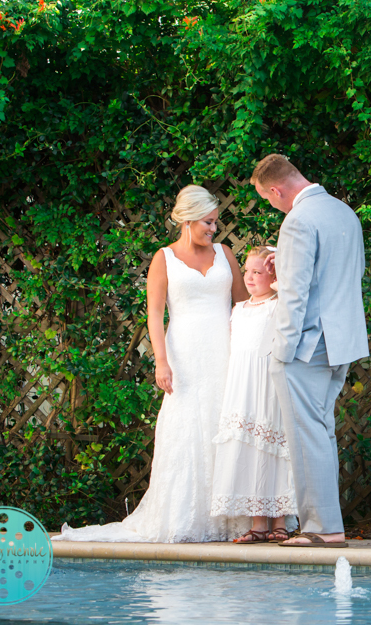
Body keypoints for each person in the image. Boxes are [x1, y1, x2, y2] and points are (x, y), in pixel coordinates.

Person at [53, 185, 249, 543]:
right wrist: (161, 361)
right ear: (188, 221)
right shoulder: (165, 258)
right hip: (185, 353)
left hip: (226, 351)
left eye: (215, 222)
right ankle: (183, 516)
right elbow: (154, 314)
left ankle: (230, 518)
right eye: (207, 222)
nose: (213, 229)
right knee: (186, 427)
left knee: (227, 424)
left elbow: (244, 303)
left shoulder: (225, 254)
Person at [250, 154, 369, 548]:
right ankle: (326, 524)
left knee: (306, 436)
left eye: (269, 200)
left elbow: (295, 296)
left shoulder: (298, 220)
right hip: (341, 341)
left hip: (306, 345)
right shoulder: (344, 212)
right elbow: (341, 275)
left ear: (275, 189)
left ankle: (321, 528)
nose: (273, 206)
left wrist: (280, 350)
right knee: (320, 432)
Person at [210, 246, 298, 543]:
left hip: (269, 388)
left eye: (258, 272)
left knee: (273, 449)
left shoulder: (278, 305)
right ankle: (258, 521)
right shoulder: (238, 310)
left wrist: (280, 278)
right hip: (243, 386)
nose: (249, 277)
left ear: (273, 276)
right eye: (247, 271)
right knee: (251, 450)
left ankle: (280, 520)